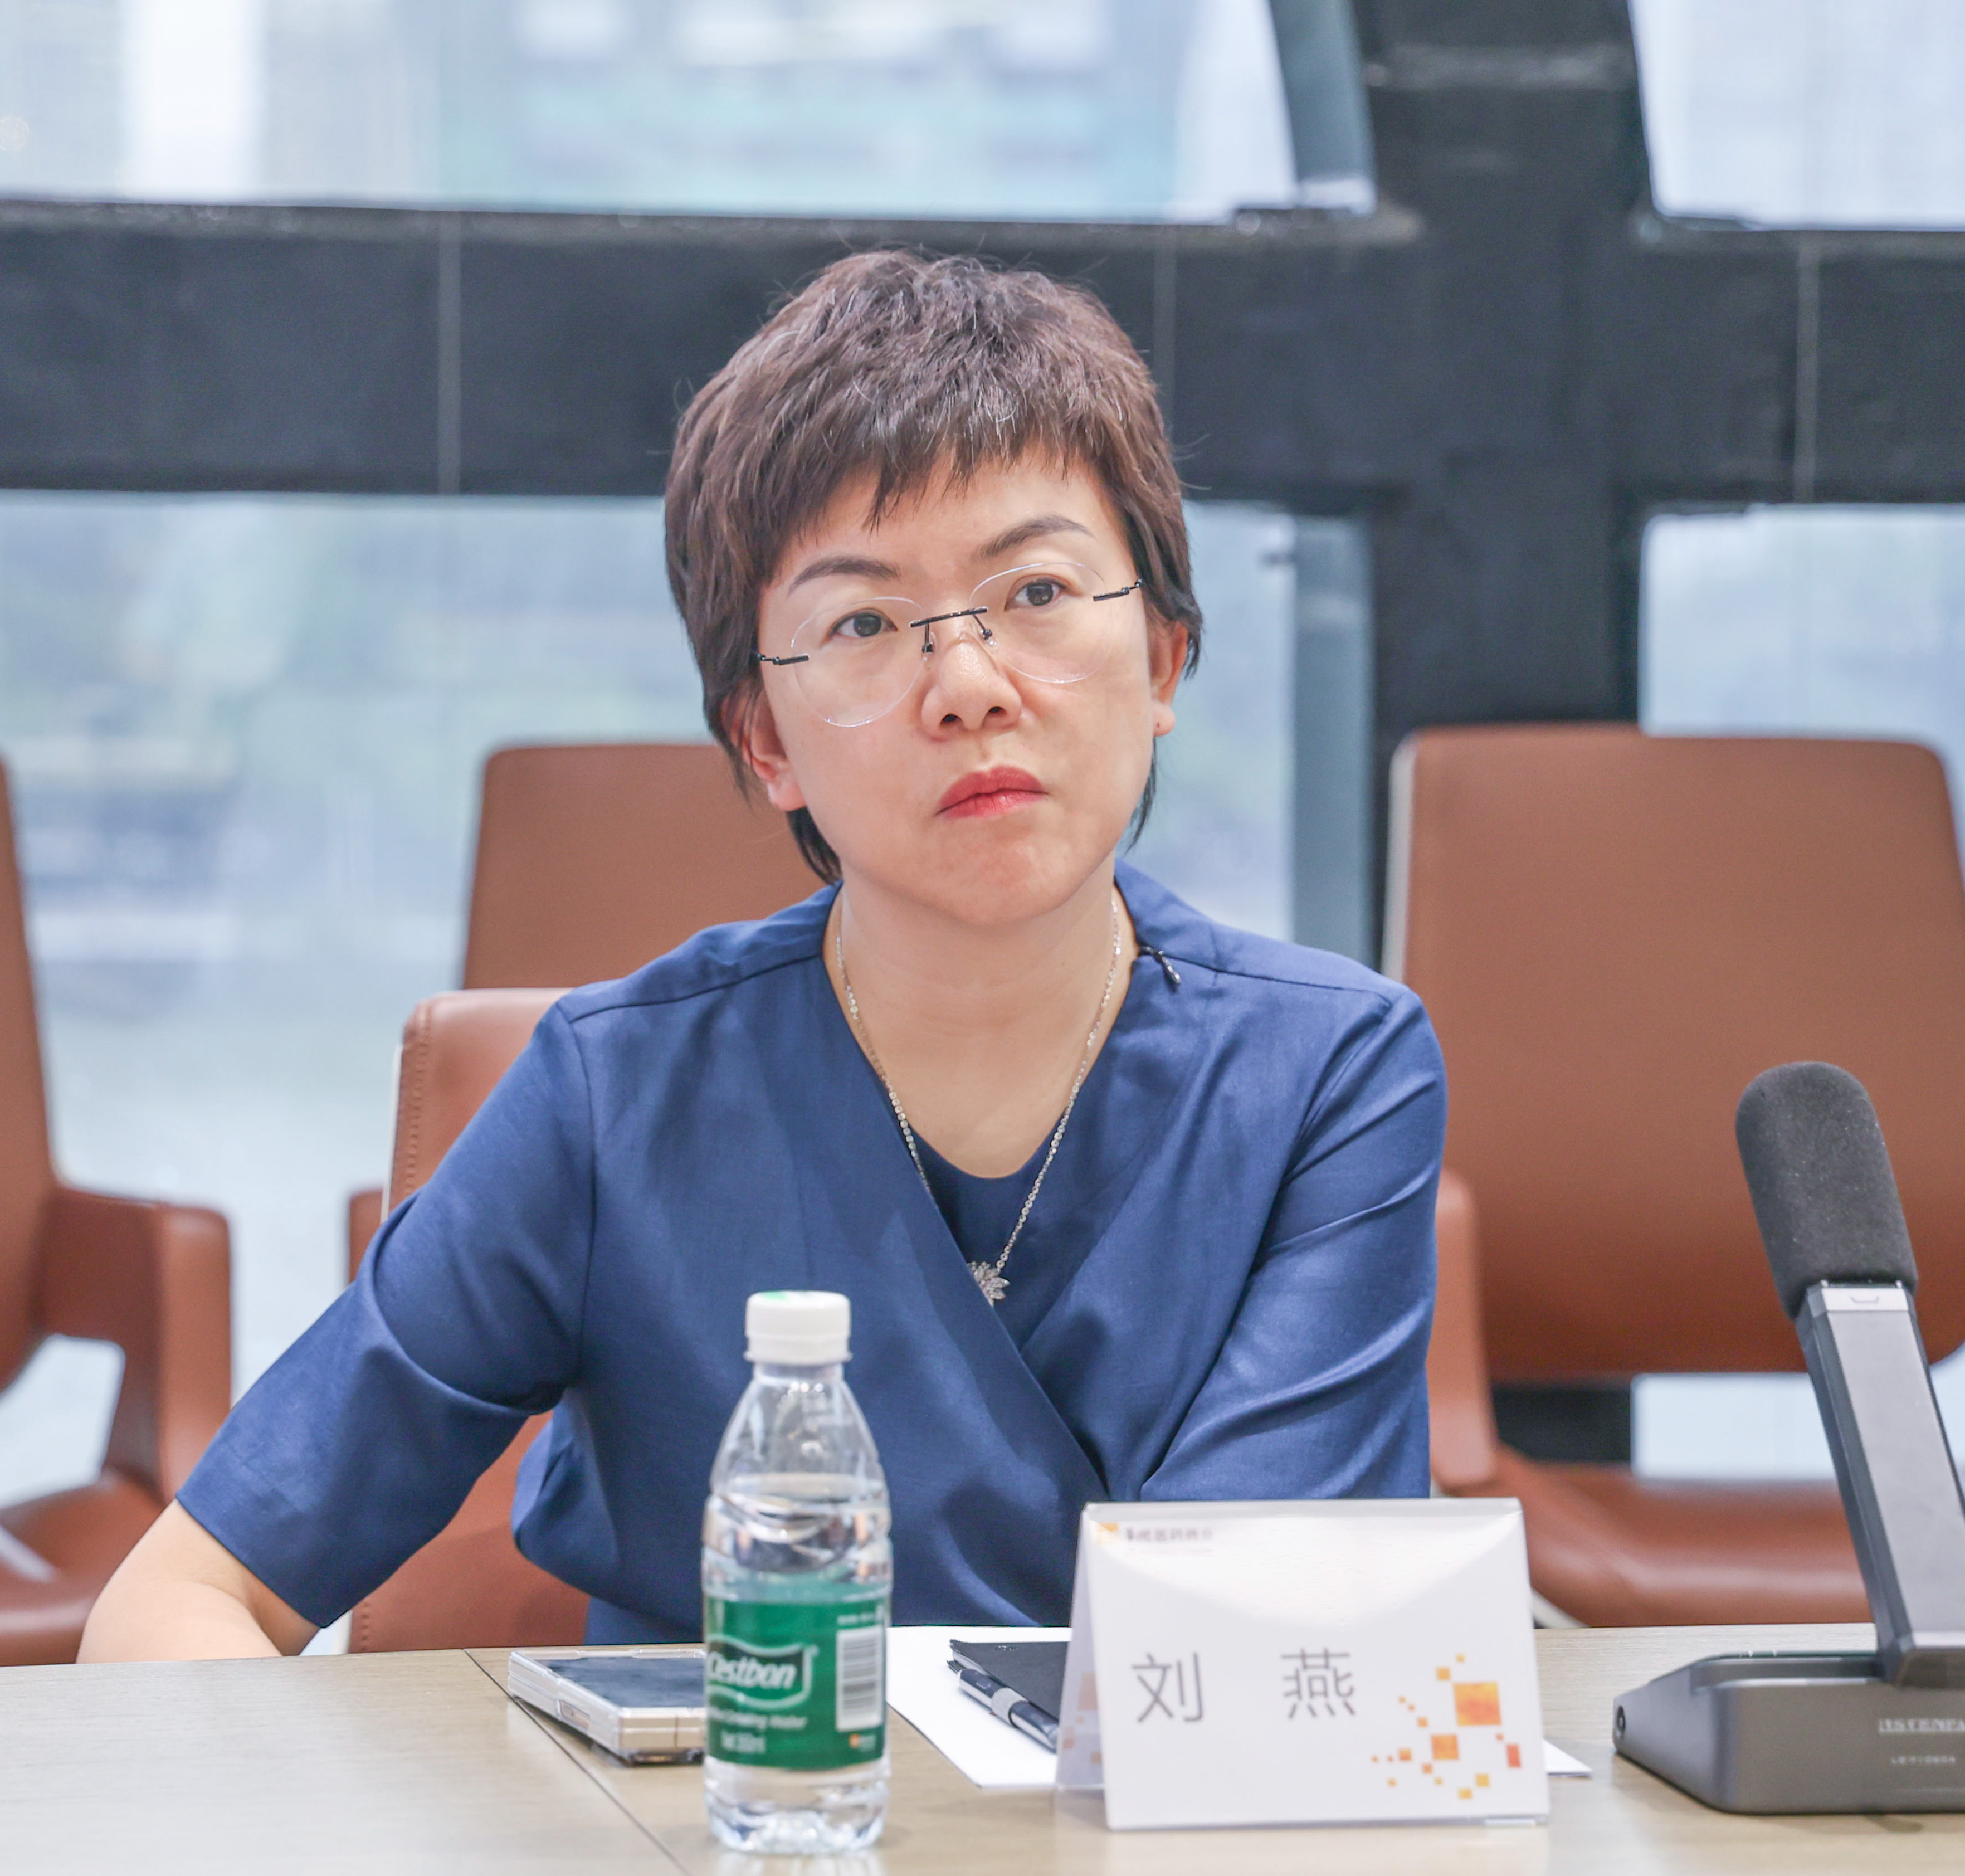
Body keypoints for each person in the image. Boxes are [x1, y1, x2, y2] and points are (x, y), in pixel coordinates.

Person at [80, 250, 1445, 1659]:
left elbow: (1232, 1659)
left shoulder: (1330, 1075)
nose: (969, 685)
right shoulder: (617, 1097)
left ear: (1161, 658)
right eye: (864, 623)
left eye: (1038, 591)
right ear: (765, 740)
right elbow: (181, 1596)